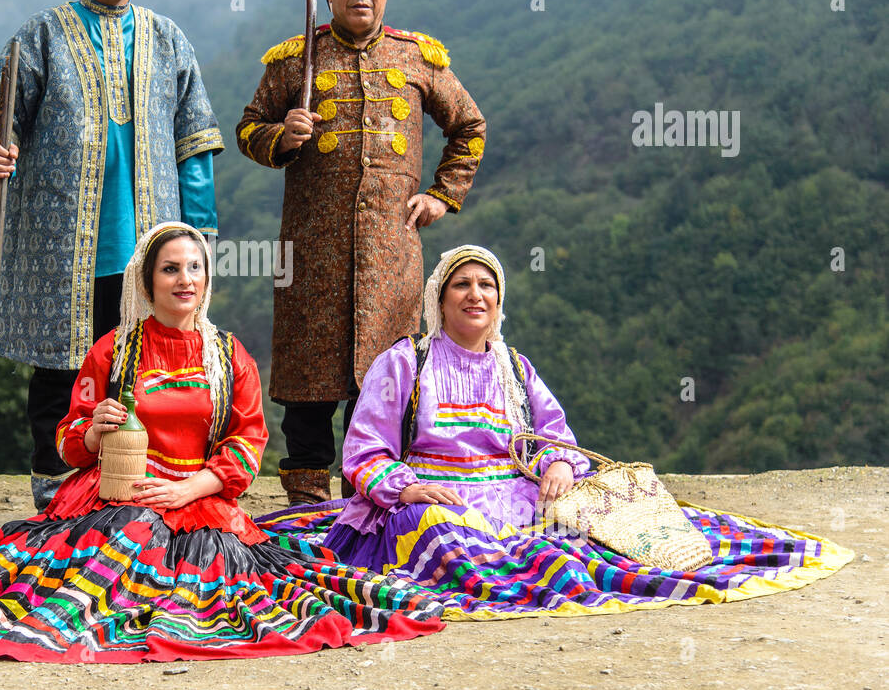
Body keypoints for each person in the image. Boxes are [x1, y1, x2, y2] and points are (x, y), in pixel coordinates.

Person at [0, 224, 444, 662]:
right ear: (147, 281)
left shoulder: (227, 354)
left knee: (238, 589)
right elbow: (67, 441)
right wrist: (90, 432)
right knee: (105, 552)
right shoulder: (115, 350)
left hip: (200, 502)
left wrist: (189, 486)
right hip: (111, 498)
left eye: (195, 269)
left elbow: (246, 443)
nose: (185, 280)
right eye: (170, 269)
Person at [259, 245, 853, 619]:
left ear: (499, 302)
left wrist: (560, 468)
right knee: (439, 533)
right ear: (439, 300)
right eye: (462, 285)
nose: (476, 295)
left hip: (512, 493)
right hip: (431, 494)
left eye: (486, 286)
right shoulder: (405, 363)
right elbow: (365, 449)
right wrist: (405, 488)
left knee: (573, 542)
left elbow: (551, 434)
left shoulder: (515, 368)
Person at [0, 0, 224, 511]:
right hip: (63, 245)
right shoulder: (41, 37)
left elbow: (196, 143)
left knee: (139, 372)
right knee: (61, 370)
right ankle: (55, 490)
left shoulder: (169, 41)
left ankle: (128, 491)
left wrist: (201, 236)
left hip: (148, 245)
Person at [236, 0, 486, 506]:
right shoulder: (294, 60)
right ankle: (305, 517)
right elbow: (247, 129)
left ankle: (369, 508)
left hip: (391, 261)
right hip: (310, 261)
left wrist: (440, 195)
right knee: (307, 397)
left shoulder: (419, 59)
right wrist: (280, 138)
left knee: (383, 394)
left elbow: (469, 127)